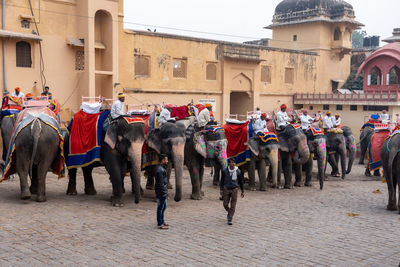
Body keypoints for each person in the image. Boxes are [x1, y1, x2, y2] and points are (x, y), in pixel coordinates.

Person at [220, 158, 244, 225]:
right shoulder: (225, 171)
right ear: (229, 163)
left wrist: (242, 190)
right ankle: (229, 211)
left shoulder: (238, 171)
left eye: (233, 162)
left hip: (234, 189)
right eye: (231, 162)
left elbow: (241, 182)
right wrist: (221, 189)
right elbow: (222, 180)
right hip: (226, 189)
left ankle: (230, 218)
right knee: (225, 204)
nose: (232, 164)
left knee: (233, 205)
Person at [155, 154, 169, 230]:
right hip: (161, 192)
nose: (167, 161)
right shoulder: (160, 170)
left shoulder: (161, 168)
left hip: (162, 191)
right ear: (162, 160)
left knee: (164, 207)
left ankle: (162, 221)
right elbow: (160, 183)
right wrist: (164, 193)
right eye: (166, 159)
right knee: (160, 208)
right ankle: (160, 224)